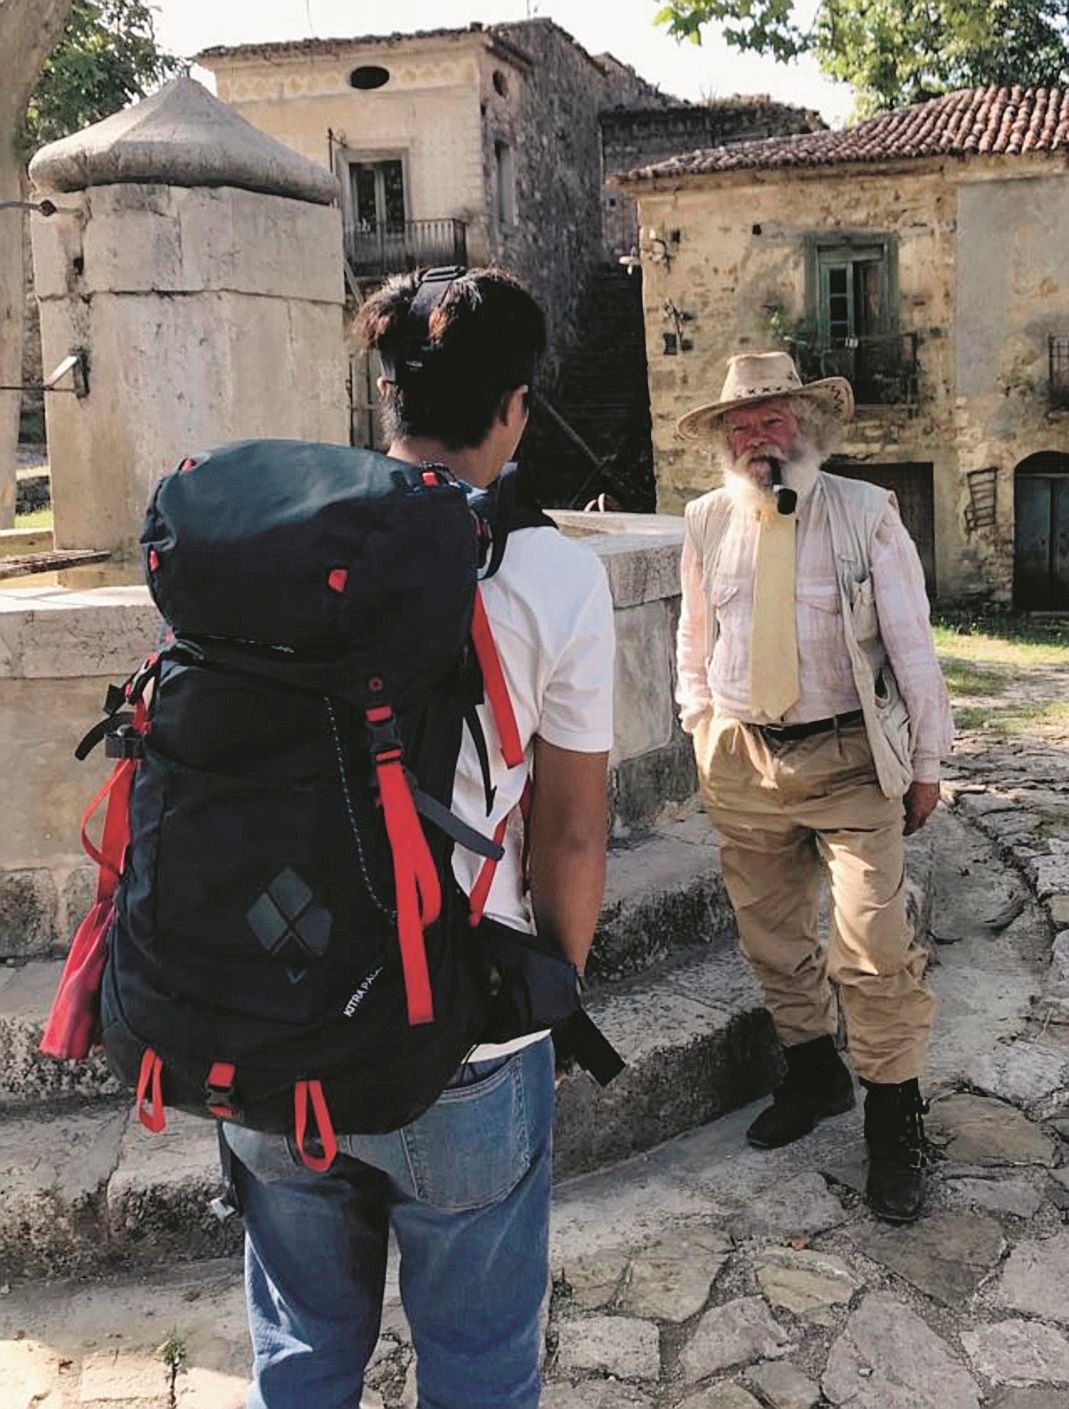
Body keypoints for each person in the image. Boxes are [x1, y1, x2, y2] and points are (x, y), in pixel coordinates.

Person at [223, 268, 616, 1408]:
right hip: (458, 1034)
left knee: (299, 1351)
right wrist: (553, 993)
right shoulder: (550, 573)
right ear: (514, 409)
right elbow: (573, 829)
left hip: (269, 1018)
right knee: (480, 1365)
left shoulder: (270, 539)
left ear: (386, 393)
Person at [675, 351, 953, 1225]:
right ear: (725, 439)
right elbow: (693, 634)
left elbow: (911, 644)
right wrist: (698, 724)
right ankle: (813, 1073)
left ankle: (893, 1120)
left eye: (773, 417)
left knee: (872, 944)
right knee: (770, 936)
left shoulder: (867, 515)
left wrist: (929, 763)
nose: (759, 436)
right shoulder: (704, 520)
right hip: (740, 758)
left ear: (806, 426)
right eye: (742, 423)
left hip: (849, 759)